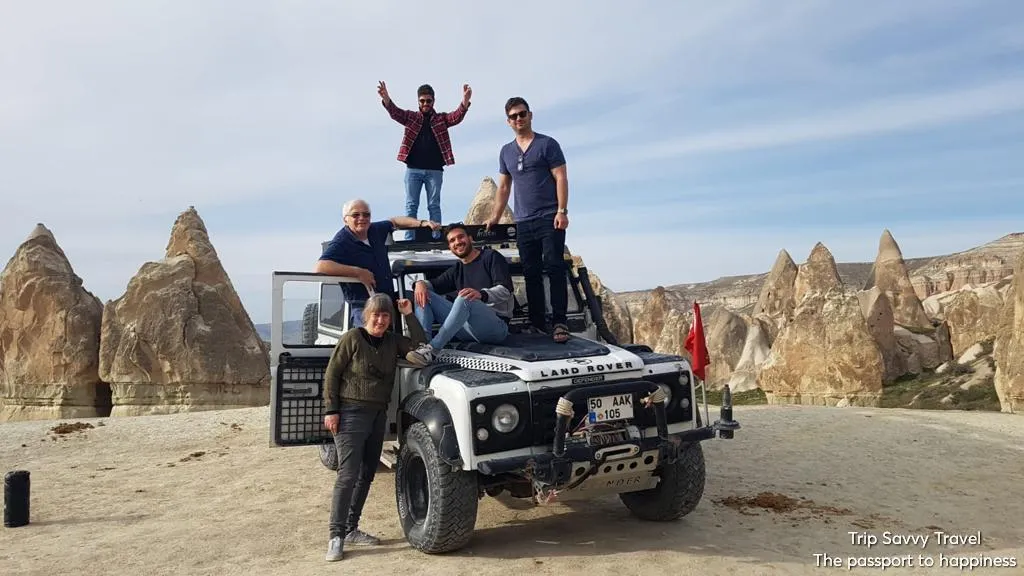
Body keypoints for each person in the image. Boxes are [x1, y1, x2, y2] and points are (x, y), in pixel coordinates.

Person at [321, 294, 429, 562]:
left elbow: (420, 343)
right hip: (350, 412)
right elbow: (332, 374)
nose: (380, 320)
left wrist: (408, 314)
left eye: (385, 316)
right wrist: (331, 410)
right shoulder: (352, 339)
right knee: (348, 474)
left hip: (377, 413)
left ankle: (351, 528)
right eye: (376, 315)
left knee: (368, 472)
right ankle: (336, 536)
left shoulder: (393, 341)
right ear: (365, 315)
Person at [486, 97, 571, 343]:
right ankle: (537, 322)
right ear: (508, 121)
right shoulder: (506, 151)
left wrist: (562, 211)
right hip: (523, 221)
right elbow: (503, 188)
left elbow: (561, 178)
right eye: (513, 116)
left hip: (549, 216)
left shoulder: (547, 144)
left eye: (522, 114)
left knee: (554, 267)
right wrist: (494, 216)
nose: (518, 119)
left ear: (530, 115)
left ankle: (559, 322)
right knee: (530, 271)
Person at [315, 198, 440, 327]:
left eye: (366, 214)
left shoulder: (375, 230)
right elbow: (321, 266)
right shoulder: (342, 242)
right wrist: (358, 272)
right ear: (345, 219)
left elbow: (395, 221)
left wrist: (422, 223)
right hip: (364, 307)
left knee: (420, 302)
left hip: (388, 303)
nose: (362, 218)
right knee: (368, 341)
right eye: (355, 215)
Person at [405, 223, 513, 364]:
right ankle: (422, 345)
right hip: (469, 330)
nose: (457, 242)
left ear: (470, 238)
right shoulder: (457, 269)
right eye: (452, 241)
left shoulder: (491, 257)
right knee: (424, 293)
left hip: (496, 327)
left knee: (465, 298)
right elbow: (433, 284)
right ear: (450, 247)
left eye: (460, 237)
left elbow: (506, 290)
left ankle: (433, 350)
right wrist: (419, 284)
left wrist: (482, 294)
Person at [378, 81, 473, 240]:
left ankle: (436, 238)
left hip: (434, 170)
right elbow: (395, 113)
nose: (425, 104)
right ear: (418, 102)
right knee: (411, 206)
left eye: (428, 101)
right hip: (413, 169)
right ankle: (410, 238)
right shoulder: (411, 117)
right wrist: (386, 98)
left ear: (433, 101)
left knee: (434, 205)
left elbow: (456, 117)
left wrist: (464, 102)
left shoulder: (441, 119)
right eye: (422, 101)